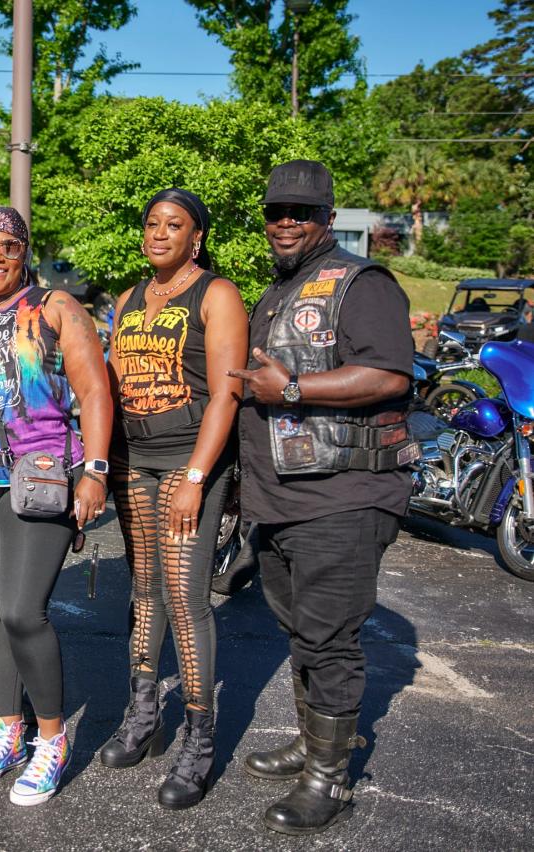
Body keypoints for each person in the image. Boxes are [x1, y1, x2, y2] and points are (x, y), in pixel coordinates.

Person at [228, 160, 416, 836]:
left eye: (301, 213)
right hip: (281, 500)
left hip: (344, 496)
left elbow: (391, 374)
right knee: (302, 631)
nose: (286, 222)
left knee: (330, 640)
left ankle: (328, 778)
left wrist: (297, 391)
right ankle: (313, 745)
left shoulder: (362, 285)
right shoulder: (281, 289)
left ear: (327, 220)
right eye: (277, 210)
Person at [0, 206, 111, 806]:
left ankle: (51, 738)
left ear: (24, 254)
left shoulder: (55, 308)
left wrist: (95, 472)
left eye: (6, 247)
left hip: (41, 477)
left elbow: (93, 390)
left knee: (22, 612)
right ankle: (6, 729)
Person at [97, 189, 248, 809]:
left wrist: (195, 476)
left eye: (174, 225)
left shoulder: (216, 294)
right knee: (145, 592)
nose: (160, 233)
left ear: (197, 237)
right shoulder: (130, 299)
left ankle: (199, 739)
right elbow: (108, 382)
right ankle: (142, 715)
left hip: (189, 462)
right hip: (135, 460)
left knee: (187, 599)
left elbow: (227, 395)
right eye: (152, 223)